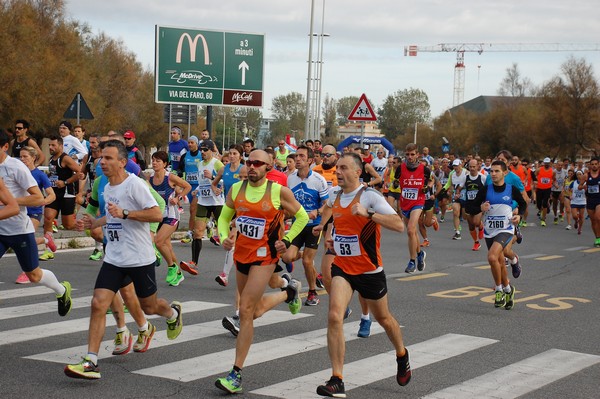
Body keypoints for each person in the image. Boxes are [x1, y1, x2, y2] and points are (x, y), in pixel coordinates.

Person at [64, 140, 183, 380]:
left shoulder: (135, 184)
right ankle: (91, 361)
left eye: (108, 158)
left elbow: (157, 213)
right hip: (115, 257)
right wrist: (92, 223)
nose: (102, 162)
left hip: (139, 258)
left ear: (122, 161)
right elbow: (111, 216)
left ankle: (172, 314)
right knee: (98, 303)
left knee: (149, 307)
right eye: (101, 158)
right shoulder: (107, 187)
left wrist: (127, 213)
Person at [312, 152, 411, 397]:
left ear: (358, 172)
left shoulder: (369, 196)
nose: (339, 172)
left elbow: (399, 224)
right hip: (343, 267)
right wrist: (322, 225)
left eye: (344, 168)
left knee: (384, 318)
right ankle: (337, 379)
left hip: (369, 271)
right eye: (337, 168)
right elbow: (328, 209)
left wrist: (368, 214)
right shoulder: (335, 194)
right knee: (335, 315)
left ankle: (401, 353)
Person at [214, 150, 308, 394]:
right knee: (252, 310)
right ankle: (288, 293)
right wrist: (224, 237)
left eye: (257, 163)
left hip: (265, 256)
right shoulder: (236, 189)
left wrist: (286, 241)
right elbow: (224, 218)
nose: (252, 166)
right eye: (249, 162)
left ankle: (236, 374)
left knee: (245, 310)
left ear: (268, 167)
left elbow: (302, 216)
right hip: (242, 255)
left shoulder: (277, 191)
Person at [0, 130, 72, 315]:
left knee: (33, 274)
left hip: (18, 230)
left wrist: (10, 201)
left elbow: (38, 198)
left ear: (5, 147)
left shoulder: (15, 167)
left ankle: (61, 290)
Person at [470, 160, 527, 310]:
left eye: (497, 171)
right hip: (490, 230)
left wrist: (519, 215)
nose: (493, 174)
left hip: (506, 229)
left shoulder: (511, 189)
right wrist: (480, 207)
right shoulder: (485, 189)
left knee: (492, 257)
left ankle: (499, 290)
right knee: (499, 262)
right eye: (491, 171)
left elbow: (523, 203)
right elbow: (471, 206)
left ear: (504, 173)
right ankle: (508, 289)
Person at [283, 145, 329, 306]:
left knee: (307, 262)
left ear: (309, 160)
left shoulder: (318, 180)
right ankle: (303, 254)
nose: (298, 159)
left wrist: (318, 211)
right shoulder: (290, 178)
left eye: (302, 156)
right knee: (287, 257)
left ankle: (312, 292)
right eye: (296, 156)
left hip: (313, 226)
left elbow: (327, 204)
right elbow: (288, 202)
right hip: (298, 224)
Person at [179, 140, 224, 274]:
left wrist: (213, 176)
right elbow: (202, 181)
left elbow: (225, 180)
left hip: (217, 203)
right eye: (201, 150)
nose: (202, 152)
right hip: (204, 201)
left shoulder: (216, 163)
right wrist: (197, 190)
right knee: (197, 232)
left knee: (225, 234)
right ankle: (194, 263)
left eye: (205, 150)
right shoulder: (199, 164)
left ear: (211, 151)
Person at [15, 146, 57, 284]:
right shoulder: (17, 173)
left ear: (33, 158)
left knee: (27, 240)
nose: (22, 159)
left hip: (34, 212)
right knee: (19, 240)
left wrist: (41, 202)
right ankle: (46, 240)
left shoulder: (39, 175)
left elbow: (52, 195)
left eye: (25, 156)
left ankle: (26, 272)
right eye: (20, 157)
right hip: (19, 212)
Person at [149, 151, 191, 286]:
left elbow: (187, 186)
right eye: (153, 160)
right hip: (158, 218)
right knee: (167, 246)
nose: (155, 163)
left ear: (165, 164)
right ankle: (178, 274)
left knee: (159, 242)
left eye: (158, 161)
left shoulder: (170, 177)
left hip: (172, 216)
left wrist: (177, 198)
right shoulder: (149, 179)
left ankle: (172, 267)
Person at [41, 135, 82, 260]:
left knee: (68, 225)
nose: (51, 148)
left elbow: (80, 173)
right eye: (49, 146)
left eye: (53, 145)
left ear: (60, 146)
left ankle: (89, 227)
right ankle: (48, 249)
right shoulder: (52, 159)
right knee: (48, 218)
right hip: (54, 194)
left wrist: (65, 182)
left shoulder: (65, 158)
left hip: (66, 194)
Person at [392, 143, 431, 273]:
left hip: (418, 202)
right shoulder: (400, 168)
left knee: (410, 230)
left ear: (417, 155)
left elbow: (431, 180)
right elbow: (395, 181)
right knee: (413, 233)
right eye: (407, 154)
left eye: (412, 154)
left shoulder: (424, 169)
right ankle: (420, 254)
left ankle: (412, 261)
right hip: (405, 203)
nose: (409, 157)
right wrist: (396, 183)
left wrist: (427, 187)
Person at [211, 144, 247, 286]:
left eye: (235, 153)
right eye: (230, 153)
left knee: (236, 241)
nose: (231, 156)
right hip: (230, 208)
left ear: (240, 155)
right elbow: (214, 183)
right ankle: (226, 275)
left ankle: (228, 274)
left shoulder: (244, 170)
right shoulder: (224, 169)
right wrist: (217, 189)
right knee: (233, 242)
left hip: (244, 209)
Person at [177, 135, 203, 244]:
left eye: (192, 142)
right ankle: (204, 226)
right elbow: (179, 169)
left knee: (193, 209)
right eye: (189, 142)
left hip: (198, 186)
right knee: (192, 211)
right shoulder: (185, 156)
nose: (190, 144)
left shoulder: (201, 155)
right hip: (188, 186)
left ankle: (189, 232)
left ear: (197, 144)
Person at [463, 159, 486, 251]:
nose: (472, 168)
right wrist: (457, 193)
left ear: (477, 166)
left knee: (476, 222)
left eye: (474, 166)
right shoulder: (466, 177)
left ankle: (481, 227)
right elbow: (460, 187)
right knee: (471, 225)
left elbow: (487, 189)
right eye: (470, 167)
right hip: (469, 204)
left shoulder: (483, 177)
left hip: (479, 204)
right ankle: (476, 242)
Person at [583, 157, 600, 247]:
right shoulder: (586, 175)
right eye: (592, 164)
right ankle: (597, 237)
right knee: (593, 221)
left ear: (598, 164)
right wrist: (583, 187)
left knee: (598, 218)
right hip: (590, 200)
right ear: (590, 165)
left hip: (599, 199)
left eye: (595, 164)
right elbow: (579, 186)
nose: (594, 166)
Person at [535, 157, 555, 227]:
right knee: (538, 204)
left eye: (548, 163)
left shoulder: (552, 171)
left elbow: (553, 179)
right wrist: (536, 183)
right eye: (545, 163)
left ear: (550, 163)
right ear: (544, 163)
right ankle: (541, 211)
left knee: (545, 203)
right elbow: (535, 176)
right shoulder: (539, 170)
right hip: (539, 188)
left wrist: (554, 184)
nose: (546, 164)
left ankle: (543, 219)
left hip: (547, 189)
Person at [568, 170, 587, 235]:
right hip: (574, 201)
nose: (579, 176)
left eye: (580, 174)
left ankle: (580, 228)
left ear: (582, 175)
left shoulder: (585, 183)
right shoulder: (574, 183)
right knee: (575, 216)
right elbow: (569, 189)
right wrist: (570, 195)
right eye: (577, 174)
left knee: (581, 216)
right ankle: (576, 221)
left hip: (582, 201)